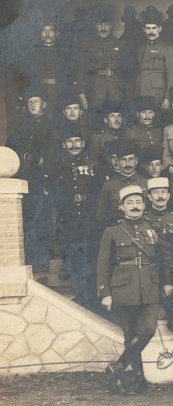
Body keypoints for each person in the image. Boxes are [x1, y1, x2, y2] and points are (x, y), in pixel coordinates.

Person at [96, 185, 169, 394]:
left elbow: (164, 259)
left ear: (144, 205)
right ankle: (137, 379)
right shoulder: (112, 231)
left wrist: (166, 282)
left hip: (149, 286)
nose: (135, 206)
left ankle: (118, 366)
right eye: (130, 203)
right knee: (130, 335)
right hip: (122, 288)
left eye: (138, 202)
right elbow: (103, 264)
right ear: (122, 207)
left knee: (147, 330)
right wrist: (105, 293)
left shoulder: (154, 227)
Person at [49, 126, 101, 307]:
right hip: (69, 220)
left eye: (77, 141)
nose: (74, 145)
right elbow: (55, 196)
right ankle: (81, 295)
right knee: (74, 259)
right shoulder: (57, 168)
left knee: (90, 259)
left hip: (89, 221)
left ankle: (92, 298)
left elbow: (99, 192)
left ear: (83, 143)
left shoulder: (92, 165)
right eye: (70, 142)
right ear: (64, 145)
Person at [7, 87, 57, 272]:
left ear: (43, 103)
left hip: (41, 180)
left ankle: (42, 265)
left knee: (40, 221)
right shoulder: (22, 125)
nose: (33, 105)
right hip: (24, 177)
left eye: (36, 101)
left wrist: (37, 159)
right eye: (30, 102)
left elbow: (52, 152)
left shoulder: (51, 125)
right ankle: (28, 262)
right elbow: (10, 147)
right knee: (26, 220)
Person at [75, 4, 127, 129]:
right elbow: (80, 70)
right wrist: (81, 93)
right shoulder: (86, 44)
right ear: (94, 25)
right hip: (94, 90)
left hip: (115, 91)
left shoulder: (120, 44)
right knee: (95, 124)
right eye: (99, 24)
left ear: (111, 25)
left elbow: (126, 70)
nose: (103, 28)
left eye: (106, 24)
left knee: (116, 124)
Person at [133, 8, 173, 114]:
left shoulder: (167, 48)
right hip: (140, 92)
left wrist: (167, 97)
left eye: (154, 28)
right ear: (144, 29)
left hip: (157, 93)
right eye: (148, 28)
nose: (151, 31)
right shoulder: (140, 48)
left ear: (160, 29)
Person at [95, 140, 148, 227]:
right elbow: (101, 217)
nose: (127, 163)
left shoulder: (146, 183)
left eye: (131, 159)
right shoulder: (109, 186)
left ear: (136, 161)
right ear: (118, 162)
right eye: (123, 160)